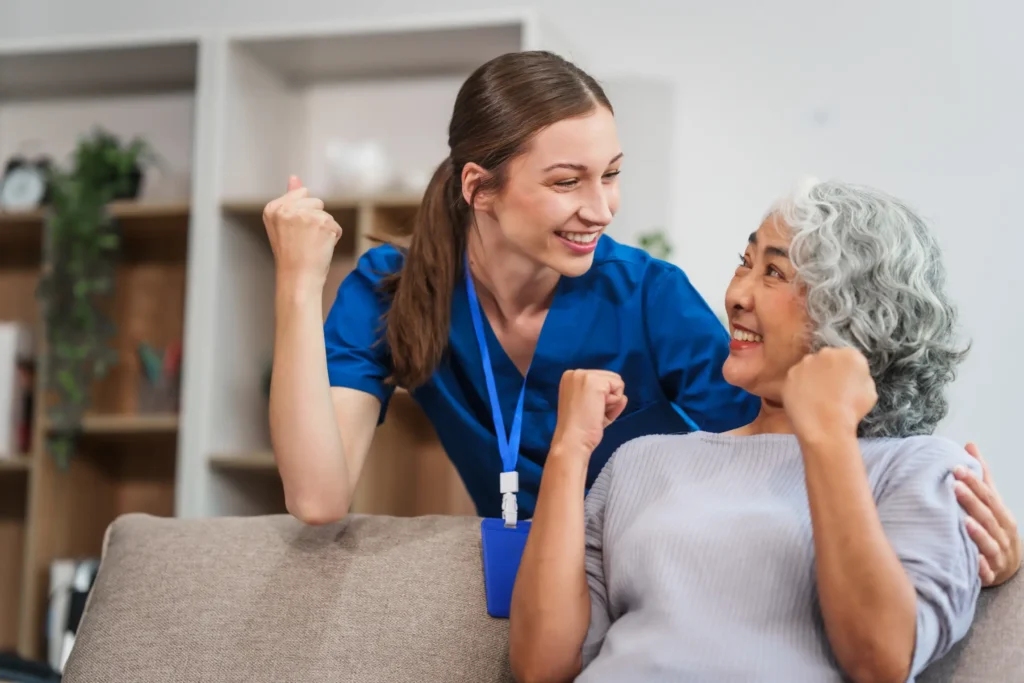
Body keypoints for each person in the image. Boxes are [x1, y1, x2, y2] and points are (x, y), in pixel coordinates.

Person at [261, 50, 1020, 585]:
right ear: (479, 187)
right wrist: (299, 282)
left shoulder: (645, 293)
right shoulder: (391, 289)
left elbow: (797, 438)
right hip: (541, 583)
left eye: (613, 175)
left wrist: (955, 533)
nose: (601, 208)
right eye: (568, 181)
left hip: (660, 563)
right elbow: (321, 498)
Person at [508, 179, 1003, 682]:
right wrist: (570, 449)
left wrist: (828, 432)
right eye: (745, 263)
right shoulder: (640, 460)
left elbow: (881, 660)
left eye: (773, 272)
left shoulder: (923, 469)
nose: (737, 295)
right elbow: (540, 667)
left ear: (853, 310)